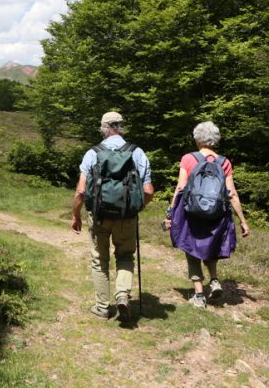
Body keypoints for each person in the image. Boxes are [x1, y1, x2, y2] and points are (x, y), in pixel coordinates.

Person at [72, 112, 154, 321]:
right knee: (125, 256)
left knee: (100, 260)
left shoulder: (93, 153)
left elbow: (81, 191)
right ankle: (122, 296)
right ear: (121, 127)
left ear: (104, 128)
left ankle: (101, 307)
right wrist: (137, 207)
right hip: (126, 216)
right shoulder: (137, 153)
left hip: (99, 216)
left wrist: (76, 216)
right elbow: (149, 191)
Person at [164, 121, 250, 308]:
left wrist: (170, 212)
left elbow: (180, 187)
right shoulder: (224, 162)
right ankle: (214, 280)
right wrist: (243, 221)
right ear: (215, 139)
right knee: (211, 246)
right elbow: (232, 193)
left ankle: (199, 295)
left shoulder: (188, 158)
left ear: (197, 138)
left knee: (191, 248)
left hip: (191, 213)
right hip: (217, 213)